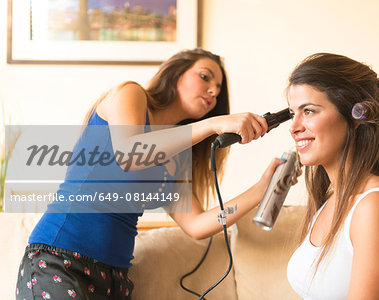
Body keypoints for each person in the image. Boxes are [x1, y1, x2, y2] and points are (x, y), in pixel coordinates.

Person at [15, 48, 287, 299]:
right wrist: (213, 124)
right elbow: (130, 153)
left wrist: (261, 189)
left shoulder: (178, 156)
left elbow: (197, 225)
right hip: (58, 259)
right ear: (176, 72)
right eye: (205, 77)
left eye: (218, 91)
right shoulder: (131, 95)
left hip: (114, 277)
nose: (213, 92)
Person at [285, 53, 379, 300]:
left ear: (356, 117)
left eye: (308, 111)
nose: (293, 127)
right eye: (293, 112)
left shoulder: (374, 206)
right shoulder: (329, 201)